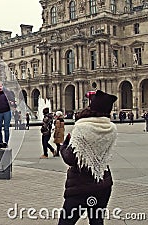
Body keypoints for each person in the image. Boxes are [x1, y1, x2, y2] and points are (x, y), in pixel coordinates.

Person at [58, 90, 117, 225]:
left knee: (66, 222)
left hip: (80, 185)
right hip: (103, 183)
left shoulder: (82, 127)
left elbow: (71, 158)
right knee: (96, 221)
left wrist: (64, 145)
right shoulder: (111, 128)